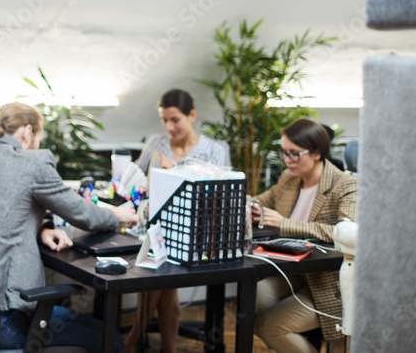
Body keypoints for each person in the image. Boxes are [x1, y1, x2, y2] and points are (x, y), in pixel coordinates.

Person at [0, 102, 138, 352]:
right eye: (39, 137)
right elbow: (82, 214)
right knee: (111, 339)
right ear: (28, 131)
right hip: (3, 323)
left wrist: (42, 227)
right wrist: (118, 215)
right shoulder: (32, 162)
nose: (38, 144)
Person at [126, 89, 231, 353]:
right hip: (158, 227)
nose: (169, 127)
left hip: (197, 233)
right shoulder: (155, 144)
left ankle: (132, 339)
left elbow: (219, 200)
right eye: (164, 120)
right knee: (163, 274)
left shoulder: (215, 151)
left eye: (175, 120)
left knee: (160, 272)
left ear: (191, 116)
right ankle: (168, 349)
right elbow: (138, 184)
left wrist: (175, 174)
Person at [253, 118, 357, 353]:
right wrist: (252, 208)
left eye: (294, 153)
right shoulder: (290, 180)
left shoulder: (345, 185)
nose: (287, 160)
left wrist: (285, 224)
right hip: (295, 274)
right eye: (284, 152)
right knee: (247, 302)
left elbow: (341, 231)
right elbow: (260, 201)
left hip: (328, 283)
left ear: (317, 153)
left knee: (269, 326)